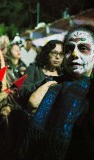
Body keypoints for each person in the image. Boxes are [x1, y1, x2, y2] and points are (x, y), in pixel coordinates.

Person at [20, 25, 94, 160]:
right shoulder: (49, 85)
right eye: (69, 49)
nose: (75, 54)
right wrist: (31, 108)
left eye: (83, 48)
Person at [18, 40, 64, 112]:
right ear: (46, 53)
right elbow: (22, 90)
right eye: (54, 53)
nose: (57, 57)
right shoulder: (33, 69)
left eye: (61, 54)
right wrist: (42, 83)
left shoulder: (63, 74)